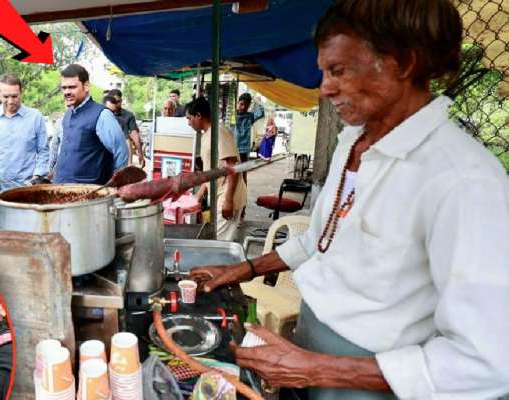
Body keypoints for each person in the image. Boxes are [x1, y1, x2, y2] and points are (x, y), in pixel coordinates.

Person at [190, 1, 509, 399]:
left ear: (402, 63)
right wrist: (243, 269)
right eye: (324, 71)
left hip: (370, 385)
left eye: (338, 70)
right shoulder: (352, 142)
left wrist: (317, 368)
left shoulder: (464, 180)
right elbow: (317, 242)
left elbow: (487, 361)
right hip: (309, 352)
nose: (324, 88)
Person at [51, 64, 128, 184]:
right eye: (64, 88)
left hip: (89, 193)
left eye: (72, 87)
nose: (67, 92)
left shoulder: (102, 115)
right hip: (61, 187)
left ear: (86, 86)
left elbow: (121, 151)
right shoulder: (67, 115)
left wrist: (116, 184)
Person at [187, 97, 247, 241]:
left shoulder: (219, 132)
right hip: (218, 195)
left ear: (199, 115)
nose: (188, 123)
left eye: (189, 118)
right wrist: (199, 195)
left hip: (227, 195)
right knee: (215, 240)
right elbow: (212, 169)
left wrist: (228, 200)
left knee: (220, 243)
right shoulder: (206, 135)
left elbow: (232, 167)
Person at [0, 73, 49, 185]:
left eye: (14, 96)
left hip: (26, 185)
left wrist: (36, 177)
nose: (11, 101)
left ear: (21, 92)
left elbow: (43, 151)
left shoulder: (35, 117)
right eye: (6, 97)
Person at [106, 89, 145, 168]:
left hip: (123, 155)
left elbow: (134, 135)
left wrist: (140, 154)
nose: (116, 104)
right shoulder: (102, 114)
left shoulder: (128, 116)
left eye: (118, 101)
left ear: (121, 100)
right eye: (114, 102)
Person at [233, 92, 264, 185]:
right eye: (241, 104)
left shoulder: (250, 116)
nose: (243, 107)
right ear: (238, 103)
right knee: (232, 174)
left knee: (243, 174)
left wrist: (257, 100)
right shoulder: (232, 115)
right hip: (232, 149)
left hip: (244, 150)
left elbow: (261, 113)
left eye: (246, 105)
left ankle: (243, 196)